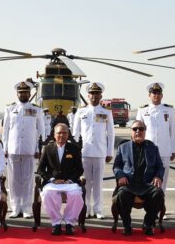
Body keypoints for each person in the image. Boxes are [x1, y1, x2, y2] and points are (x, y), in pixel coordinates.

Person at [113, 120, 165, 236]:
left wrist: (158, 176)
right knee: (121, 194)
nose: (138, 131)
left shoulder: (153, 148)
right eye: (135, 129)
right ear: (131, 131)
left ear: (145, 131)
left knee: (158, 193)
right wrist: (121, 175)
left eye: (141, 129)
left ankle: (148, 224)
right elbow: (116, 166)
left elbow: (160, 167)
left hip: (147, 184)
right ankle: (127, 225)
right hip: (129, 183)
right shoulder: (123, 147)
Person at [71, 82, 114, 219]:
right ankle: (86, 208)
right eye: (92, 94)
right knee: (86, 182)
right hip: (84, 152)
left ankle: (98, 209)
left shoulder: (106, 112)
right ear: (88, 95)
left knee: (98, 182)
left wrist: (109, 152)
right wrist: (75, 152)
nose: (94, 96)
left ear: (101, 95)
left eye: (97, 93)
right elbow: (75, 134)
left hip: (100, 152)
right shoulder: (81, 111)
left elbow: (111, 133)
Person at [3, 81, 45, 219]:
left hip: (29, 149)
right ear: (17, 93)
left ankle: (26, 208)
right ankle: (15, 207)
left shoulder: (36, 109)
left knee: (28, 180)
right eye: (21, 92)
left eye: (26, 92)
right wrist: (5, 147)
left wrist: (39, 148)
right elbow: (6, 130)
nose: (23, 94)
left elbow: (41, 130)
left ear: (29, 93)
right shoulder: (10, 108)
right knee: (13, 180)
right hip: (13, 149)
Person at [135, 82, 175, 218]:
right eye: (154, 93)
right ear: (149, 95)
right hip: (148, 151)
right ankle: (150, 208)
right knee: (148, 180)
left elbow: (172, 132)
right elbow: (137, 131)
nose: (156, 96)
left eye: (158, 93)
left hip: (164, 150)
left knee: (162, 181)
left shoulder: (169, 110)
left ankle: (159, 208)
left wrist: (173, 149)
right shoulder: (143, 110)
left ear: (162, 95)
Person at [37, 123, 84, 235]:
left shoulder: (74, 149)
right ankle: (56, 223)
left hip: (69, 182)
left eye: (64, 133)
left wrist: (70, 180)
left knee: (76, 195)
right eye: (59, 133)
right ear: (54, 135)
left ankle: (69, 223)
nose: (61, 135)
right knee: (47, 194)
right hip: (53, 182)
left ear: (68, 135)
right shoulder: (48, 148)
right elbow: (40, 169)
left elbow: (79, 169)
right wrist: (52, 179)